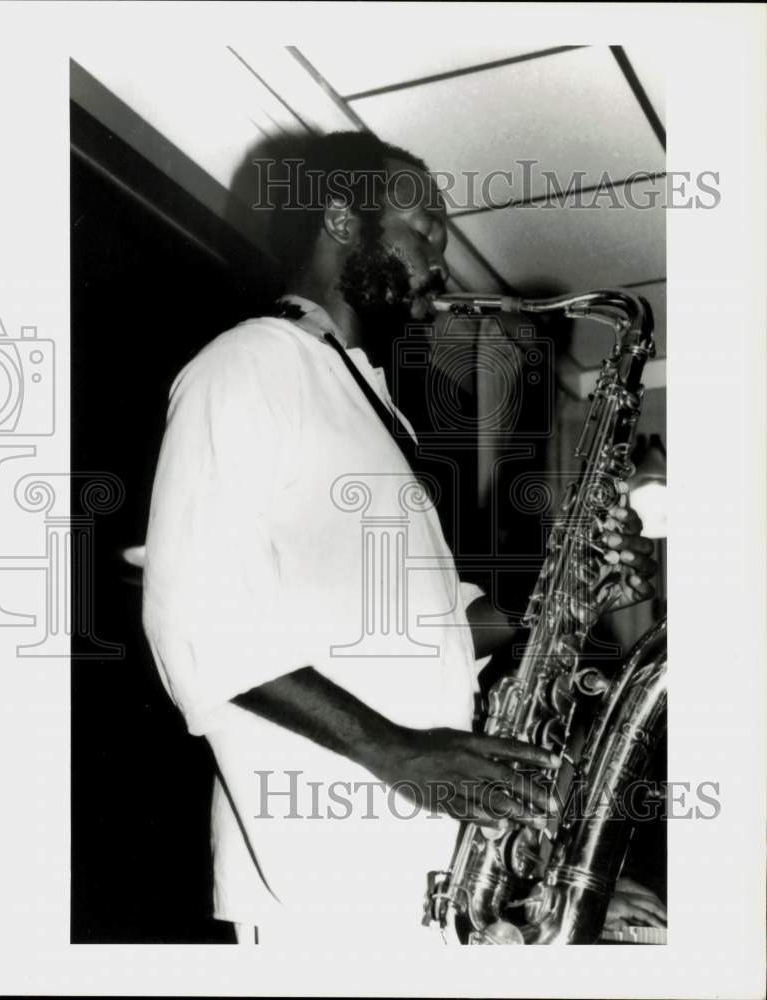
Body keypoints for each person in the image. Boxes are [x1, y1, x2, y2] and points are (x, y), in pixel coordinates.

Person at [142, 131, 664, 947]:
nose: (440, 257)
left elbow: (433, 626)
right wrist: (401, 754)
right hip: (319, 879)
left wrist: (567, 603)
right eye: (424, 226)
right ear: (344, 222)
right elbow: (195, 619)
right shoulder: (247, 363)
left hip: (420, 863)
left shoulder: (372, 408)